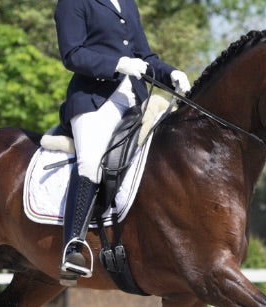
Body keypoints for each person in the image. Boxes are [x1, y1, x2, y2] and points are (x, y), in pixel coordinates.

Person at [54, 0, 190, 282]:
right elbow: (72, 54)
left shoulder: (127, 3)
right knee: (91, 162)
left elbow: (145, 56)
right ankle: (73, 246)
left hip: (135, 99)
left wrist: (170, 73)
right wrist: (117, 64)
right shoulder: (73, 3)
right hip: (94, 99)